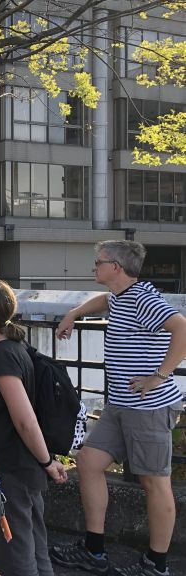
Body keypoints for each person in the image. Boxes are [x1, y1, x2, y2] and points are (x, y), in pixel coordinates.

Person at [50, 241, 186, 576]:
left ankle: (157, 565)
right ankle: (94, 551)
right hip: (120, 405)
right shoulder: (121, 296)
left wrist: (159, 375)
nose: (93, 267)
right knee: (89, 461)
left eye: (98, 262)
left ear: (117, 268)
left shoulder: (142, 298)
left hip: (148, 407)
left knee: (155, 483)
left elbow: (182, 327)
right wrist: (73, 313)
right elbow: (105, 301)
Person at [0, 279, 68, 576]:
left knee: (17, 560)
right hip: (24, 470)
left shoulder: (3, 355)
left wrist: (48, 462)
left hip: (13, 471)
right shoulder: (14, 347)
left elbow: (25, 421)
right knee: (36, 553)